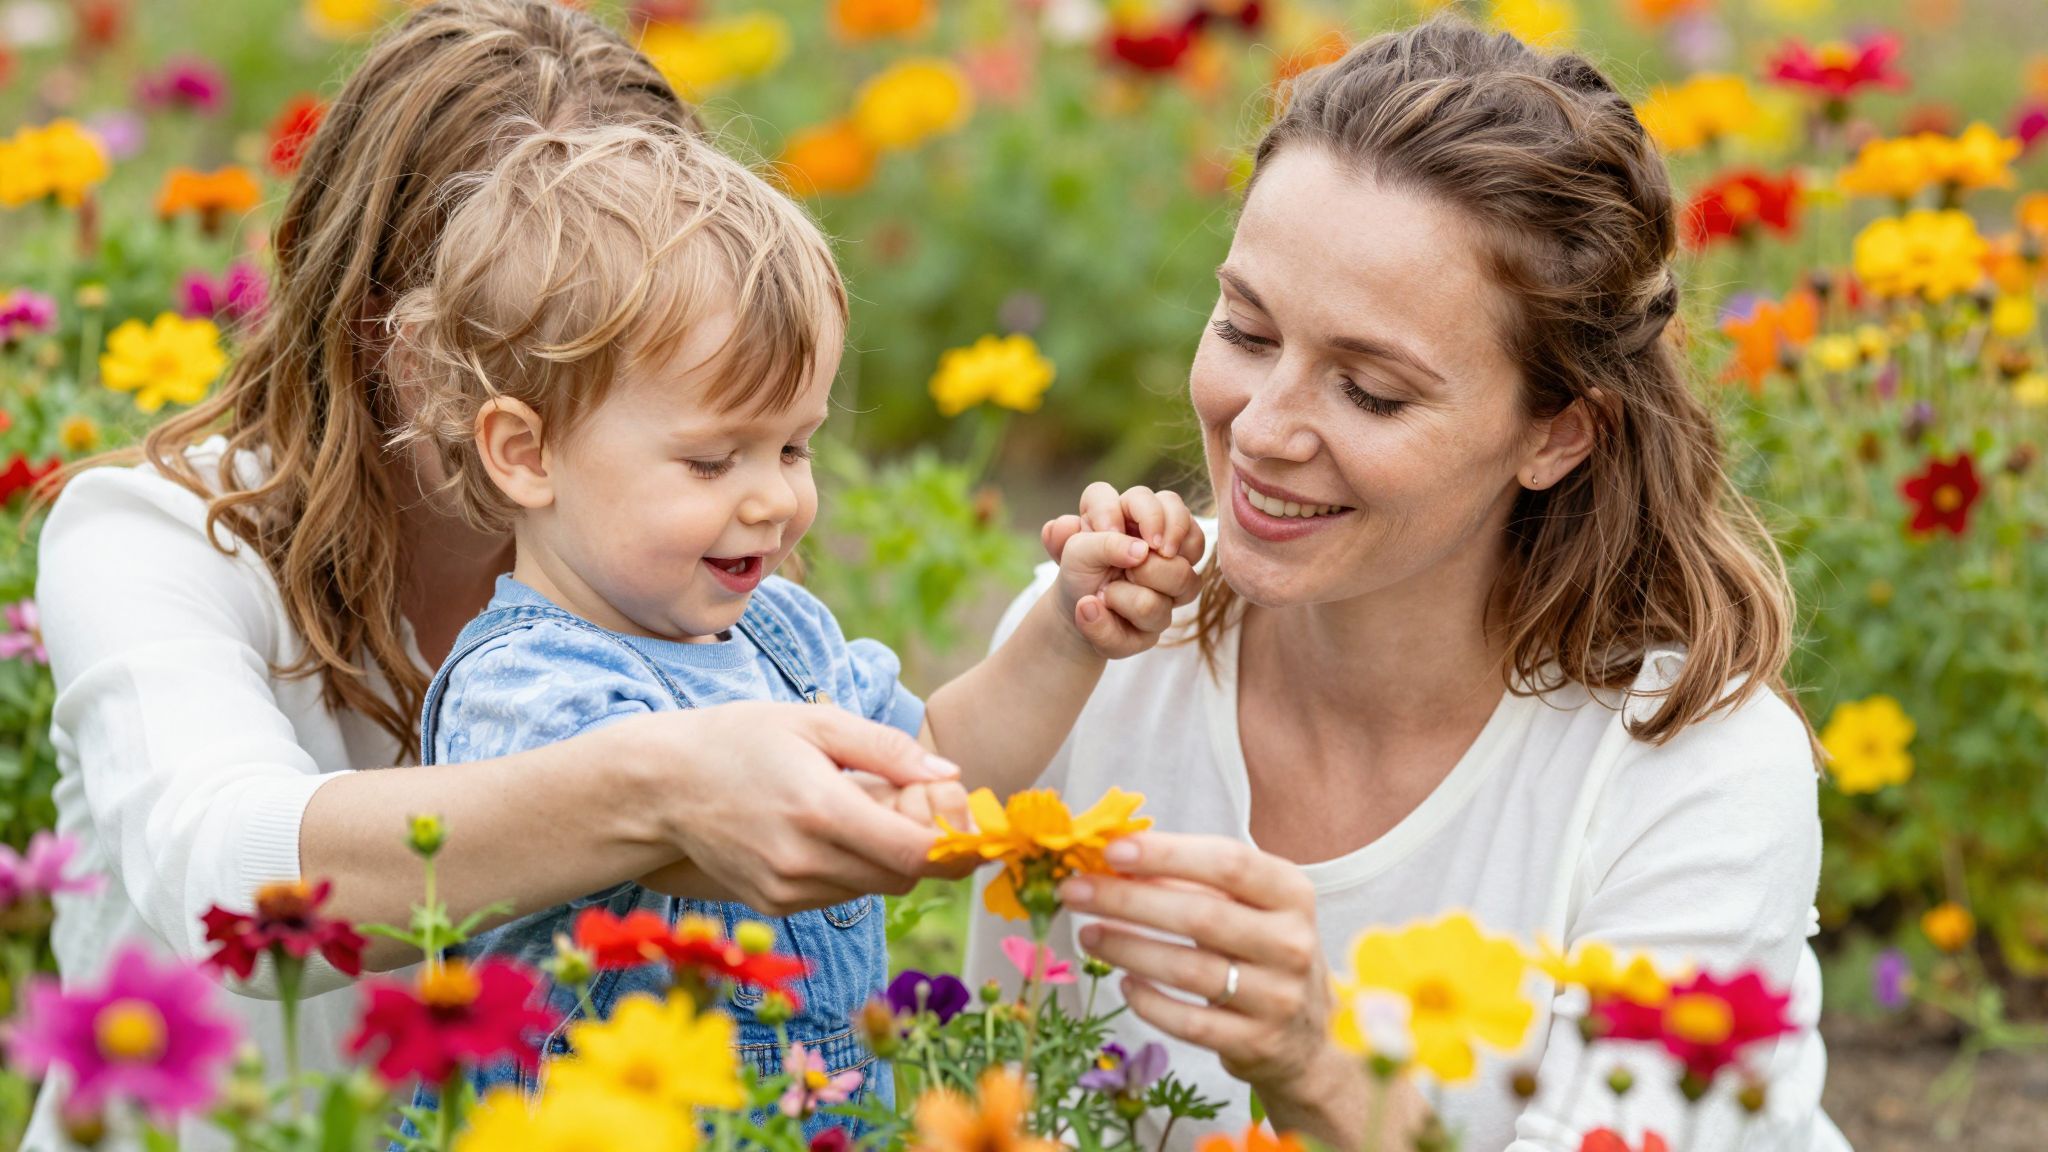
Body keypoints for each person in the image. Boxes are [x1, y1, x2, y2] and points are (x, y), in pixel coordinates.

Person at [36, 3, 957, 1147]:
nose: (758, 485)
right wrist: (660, 784)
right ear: (408, 346)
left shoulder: (666, 561)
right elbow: (228, 889)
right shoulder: (155, 530)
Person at [966, 17, 1849, 1152]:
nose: (1263, 426)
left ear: (1557, 435)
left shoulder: (1690, 772)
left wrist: (1316, 1071)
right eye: (1243, 329)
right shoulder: (1084, 656)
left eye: (1370, 392)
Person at [383, 119, 1203, 1126]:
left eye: (794, 449)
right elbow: (709, 835)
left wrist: (1067, 629)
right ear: (526, 453)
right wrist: (887, 822)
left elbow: (940, 755)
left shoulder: (780, 633)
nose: (772, 500)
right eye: (712, 460)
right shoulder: (528, 687)